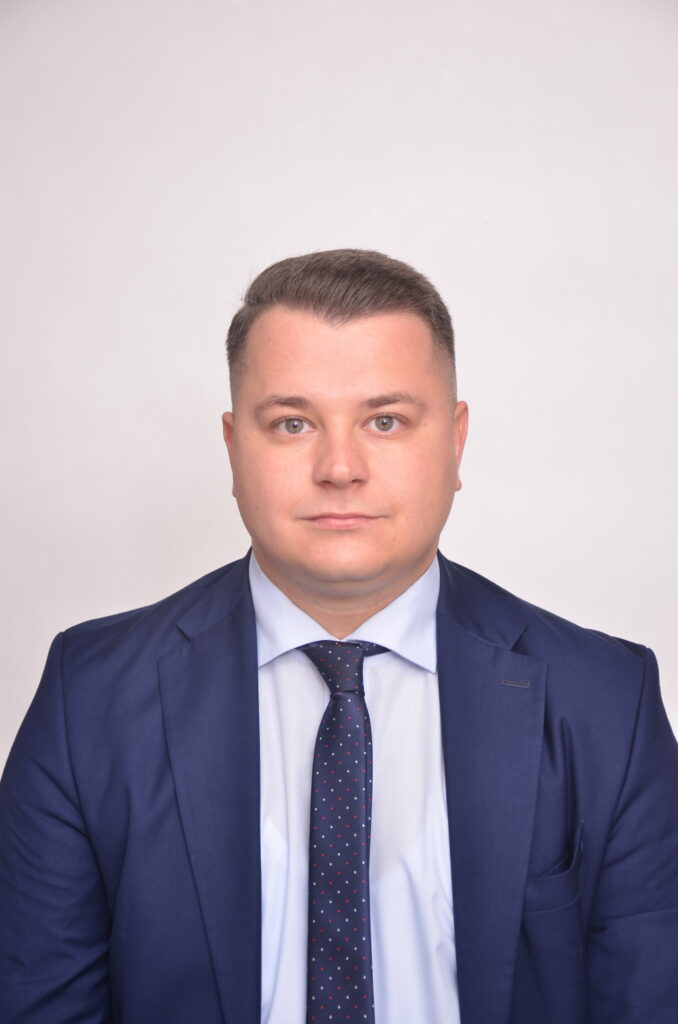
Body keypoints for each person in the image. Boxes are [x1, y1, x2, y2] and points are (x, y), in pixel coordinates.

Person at [0, 249, 676, 1024]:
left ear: (455, 443)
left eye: (385, 421)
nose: (340, 467)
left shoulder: (606, 703)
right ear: (233, 448)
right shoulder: (88, 700)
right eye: (292, 423)